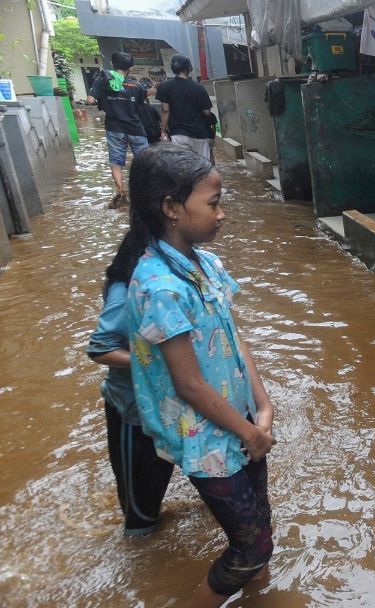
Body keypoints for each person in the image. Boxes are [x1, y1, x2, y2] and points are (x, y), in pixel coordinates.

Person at [120, 143, 276, 608]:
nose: (222, 213)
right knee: (251, 546)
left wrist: (263, 405)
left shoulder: (203, 264)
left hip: (242, 422)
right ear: (171, 208)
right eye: (213, 203)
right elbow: (187, 383)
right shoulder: (158, 285)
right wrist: (246, 430)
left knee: (259, 526)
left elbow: (233, 336)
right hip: (208, 438)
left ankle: (262, 605)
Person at [87, 236, 176, 537]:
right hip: (132, 411)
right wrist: (157, 362)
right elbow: (99, 349)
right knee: (139, 513)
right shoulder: (124, 292)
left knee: (161, 477)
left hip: (167, 405)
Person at [87, 52, 150, 209]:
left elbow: (90, 100)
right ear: (131, 68)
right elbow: (141, 107)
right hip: (135, 128)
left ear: (113, 65)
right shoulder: (136, 86)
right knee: (146, 161)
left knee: (116, 163)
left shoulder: (102, 81)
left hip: (114, 128)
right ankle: (146, 193)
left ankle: (121, 192)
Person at [156, 54, 214, 162]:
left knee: (182, 165)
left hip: (179, 133)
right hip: (200, 133)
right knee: (203, 165)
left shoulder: (164, 86)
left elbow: (165, 110)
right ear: (189, 68)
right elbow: (207, 112)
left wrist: (163, 131)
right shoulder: (199, 87)